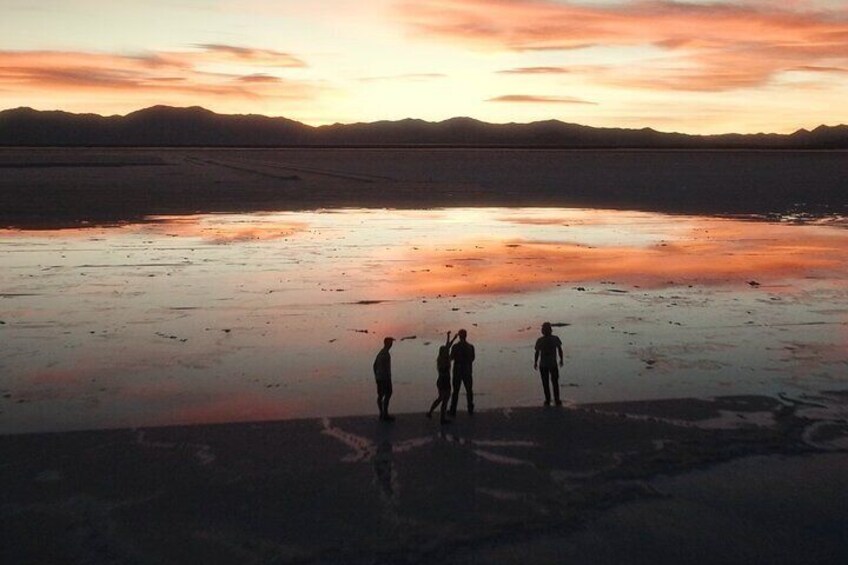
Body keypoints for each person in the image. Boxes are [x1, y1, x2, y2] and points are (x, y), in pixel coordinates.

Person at [427, 331, 456, 424]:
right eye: (446, 351)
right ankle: (442, 419)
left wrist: (451, 337)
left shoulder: (442, 358)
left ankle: (430, 412)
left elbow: (448, 345)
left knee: (441, 398)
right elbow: (448, 346)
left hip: (441, 381)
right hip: (444, 381)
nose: (448, 351)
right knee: (445, 399)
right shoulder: (443, 360)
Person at [534, 322, 564, 406]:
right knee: (550, 382)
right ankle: (552, 399)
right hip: (546, 364)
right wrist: (535, 362)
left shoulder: (552, 339)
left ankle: (552, 399)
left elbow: (559, 350)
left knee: (549, 382)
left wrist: (561, 359)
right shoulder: (543, 340)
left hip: (549, 364)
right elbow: (537, 352)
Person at [449, 329, 475, 416]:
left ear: (459, 336)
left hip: (458, 370)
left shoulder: (455, 347)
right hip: (467, 370)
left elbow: (451, 357)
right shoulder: (471, 347)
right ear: (466, 336)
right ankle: (470, 408)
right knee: (469, 390)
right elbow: (472, 358)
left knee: (456, 391)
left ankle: (453, 410)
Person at [373, 336, 396, 421]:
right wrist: (387, 378)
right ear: (388, 343)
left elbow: (374, 365)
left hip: (379, 378)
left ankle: (382, 413)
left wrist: (376, 376)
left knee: (380, 395)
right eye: (391, 343)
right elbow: (385, 368)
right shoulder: (386, 354)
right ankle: (385, 414)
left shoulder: (380, 353)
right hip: (385, 378)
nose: (392, 344)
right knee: (388, 394)